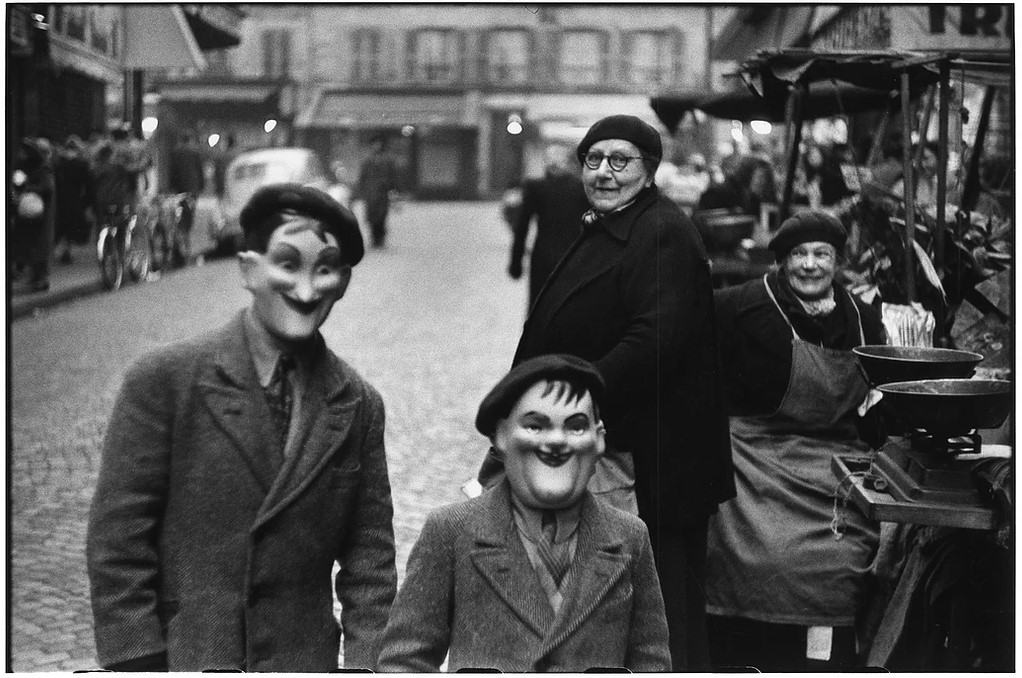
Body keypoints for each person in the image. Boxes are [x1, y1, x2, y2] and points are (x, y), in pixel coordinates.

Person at [86, 184, 398, 671]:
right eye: (288, 264)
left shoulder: (357, 404)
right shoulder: (165, 382)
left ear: (344, 281)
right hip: (190, 656)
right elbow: (119, 542)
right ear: (249, 269)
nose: (306, 289)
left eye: (325, 269)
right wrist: (137, 661)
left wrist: (366, 665)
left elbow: (370, 561)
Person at [485, 114, 735, 670]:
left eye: (619, 161)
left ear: (649, 171)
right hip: (614, 447)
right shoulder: (608, 223)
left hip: (653, 463)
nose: (603, 172)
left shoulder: (661, 230)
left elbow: (656, 339)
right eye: (593, 160)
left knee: (655, 611)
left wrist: (572, 405)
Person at [380, 354, 671, 672]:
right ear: (500, 436)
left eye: (575, 427)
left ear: (599, 439)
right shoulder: (452, 530)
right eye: (535, 425)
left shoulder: (628, 537)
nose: (557, 441)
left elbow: (650, 660)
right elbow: (405, 660)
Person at [705, 210, 885, 672]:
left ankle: (821, 659)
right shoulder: (738, 306)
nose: (810, 265)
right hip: (755, 457)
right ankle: (744, 651)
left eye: (821, 255)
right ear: (782, 262)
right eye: (799, 255)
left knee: (844, 559)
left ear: (837, 262)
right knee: (761, 557)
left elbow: (877, 403)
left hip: (835, 463)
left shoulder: (863, 321)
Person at [508, 144, 590, 308]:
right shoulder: (582, 188)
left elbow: (522, 226)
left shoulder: (535, 187)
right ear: (567, 164)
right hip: (573, 256)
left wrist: (515, 262)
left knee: (539, 306)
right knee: (570, 306)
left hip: (542, 256)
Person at [11, 137, 56, 292]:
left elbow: (47, 187)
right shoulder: (23, 167)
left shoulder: (43, 168)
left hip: (40, 212)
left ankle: (41, 278)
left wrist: (27, 188)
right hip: (26, 212)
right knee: (29, 245)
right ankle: (35, 276)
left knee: (39, 246)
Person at [53, 134, 94, 264]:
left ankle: (55, 251)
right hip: (75, 199)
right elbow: (88, 184)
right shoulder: (82, 164)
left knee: (60, 226)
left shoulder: (59, 164)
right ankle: (66, 250)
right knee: (70, 226)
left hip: (59, 198)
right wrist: (88, 202)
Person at [355, 135, 400, 248]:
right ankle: (374, 238)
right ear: (371, 146)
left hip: (383, 193)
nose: (377, 146)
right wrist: (361, 192)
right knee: (371, 217)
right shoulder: (367, 161)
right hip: (370, 193)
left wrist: (394, 190)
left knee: (382, 216)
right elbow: (362, 177)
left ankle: (381, 238)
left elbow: (393, 176)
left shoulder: (387, 160)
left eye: (378, 143)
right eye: (374, 144)